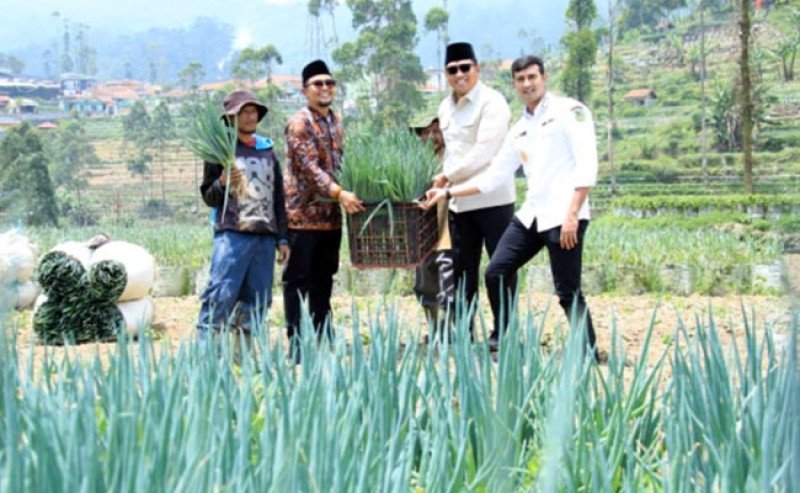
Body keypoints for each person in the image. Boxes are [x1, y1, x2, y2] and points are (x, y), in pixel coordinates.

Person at [424, 55, 599, 359]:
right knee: (496, 270)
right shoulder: (519, 129)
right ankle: (504, 336)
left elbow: (587, 164)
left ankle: (589, 353)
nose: (527, 84)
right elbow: (494, 176)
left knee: (567, 292)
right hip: (532, 215)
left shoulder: (570, 112)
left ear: (544, 78)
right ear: (515, 84)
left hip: (563, 215)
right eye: (520, 79)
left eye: (532, 77)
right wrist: (449, 192)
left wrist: (573, 216)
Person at [434, 41, 515, 343]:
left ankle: (503, 333)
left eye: (465, 68)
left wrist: (445, 177)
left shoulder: (493, 103)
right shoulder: (445, 107)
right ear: (446, 74)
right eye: (453, 70)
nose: (459, 74)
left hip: (493, 201)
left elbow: (484, 152)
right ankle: (462, 331)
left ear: (477, 69)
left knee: (499, 269)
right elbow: (451, 151)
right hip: (459, 204)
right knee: (461, 272)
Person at [282, 59, 364, 356]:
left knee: (324, 278)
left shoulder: (336, 121)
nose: (325, 88)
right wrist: (340, 192)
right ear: (305, 90)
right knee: (298, 280)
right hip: (302, 217)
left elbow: (340, 164)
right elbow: (308, 169)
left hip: (330, 218)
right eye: (318, 84)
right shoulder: (299, 123)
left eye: (329, 83)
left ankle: (322, 334)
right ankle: (298, 344)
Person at [197, 89, 290, 344]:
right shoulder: (220, 152)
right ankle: (206, 358)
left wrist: (283, 238)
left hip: (265, 237)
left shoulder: (267, 150)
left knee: (258, 301)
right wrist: (222, 181)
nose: (250, 117)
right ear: (232, 118)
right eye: (243, 112)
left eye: (253, 111)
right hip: (232, 234)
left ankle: (244, 360)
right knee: (221, 295)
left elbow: (278, 197)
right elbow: (208, 195)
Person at [411, 116, 454, 336]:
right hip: (422, 235)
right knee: (424, 282)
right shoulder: (414, 163)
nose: (431, 137)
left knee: (450, 282)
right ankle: (435, 328)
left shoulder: (453, 159)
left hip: (448, 230)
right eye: (425, 132)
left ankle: (453, 330)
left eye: (436, 131)